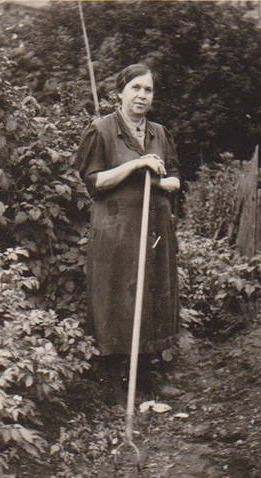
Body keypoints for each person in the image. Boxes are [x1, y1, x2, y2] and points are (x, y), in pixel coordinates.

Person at [76, 64, 182, 404]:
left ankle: (149, 376)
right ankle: (114, 383)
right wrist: (137, 165)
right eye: (135, 88)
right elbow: (94, 183)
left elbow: (176, 178)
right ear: (120, 92)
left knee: (153, 295)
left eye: (148, 90)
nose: (142, 95)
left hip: (154, 227)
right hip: (116, 230)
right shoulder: (101, 130)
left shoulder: (160, 133)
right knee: (115, 299)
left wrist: (160, 181)